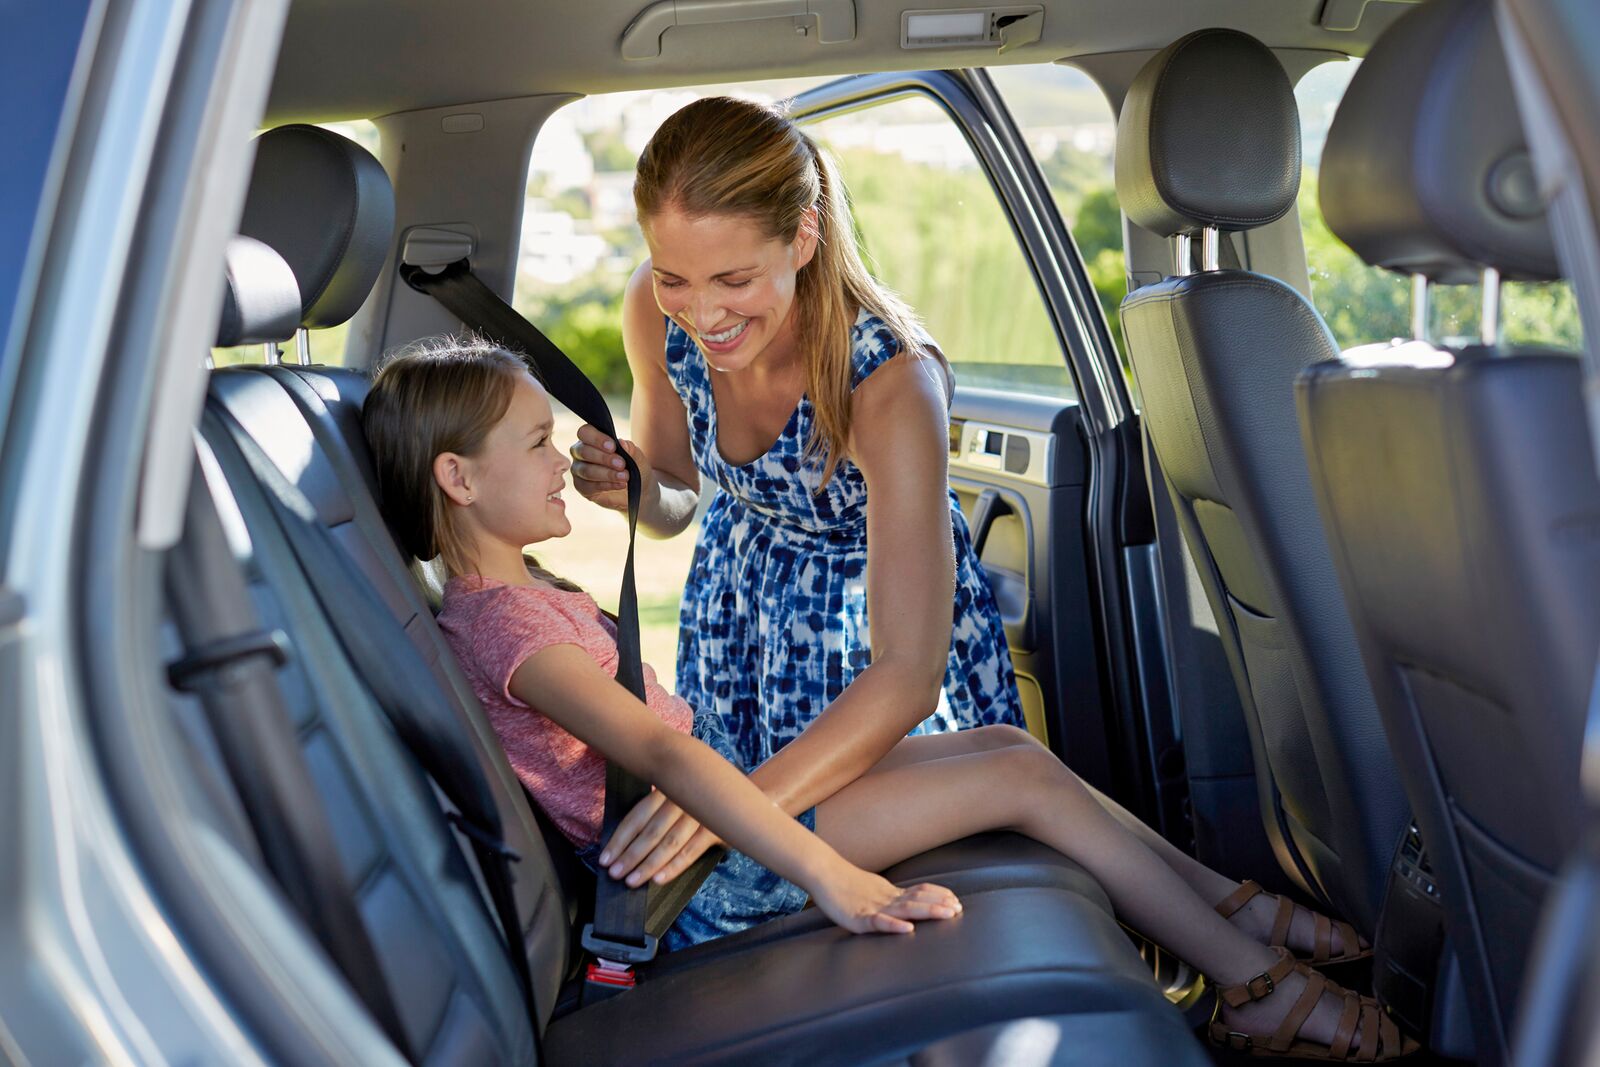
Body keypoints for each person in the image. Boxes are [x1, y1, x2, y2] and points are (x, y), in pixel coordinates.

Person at [362, 338, 1413, 1060]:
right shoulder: (508, 632)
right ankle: (1252, 978)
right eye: (537, 444)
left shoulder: (513, 596)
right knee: (1006, 770)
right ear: (457, 479)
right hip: (703, 878)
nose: (565, 461)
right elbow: (669, 759)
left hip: (713, 830)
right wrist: (837, 882)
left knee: (1004, 739)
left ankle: (1227, 912)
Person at [567, 97, 1023, 862]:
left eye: (733, 278)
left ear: (803, 235)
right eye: (676, 276)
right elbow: (677, 492)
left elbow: (909, 672)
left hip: (863, 666)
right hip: (734, 626)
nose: (703, 313)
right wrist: (637, 488)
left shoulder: (887, 378)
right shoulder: (654, 311)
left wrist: (726, 809)